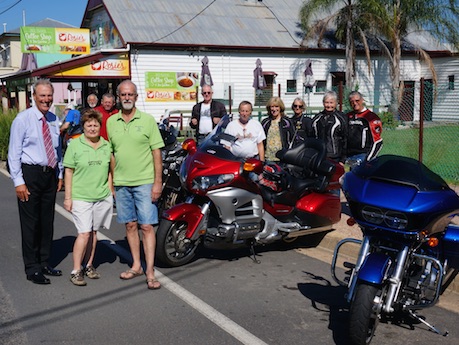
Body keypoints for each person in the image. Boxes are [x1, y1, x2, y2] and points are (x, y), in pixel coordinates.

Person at [107, 80, 164, 290]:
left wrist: (157, 182)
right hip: (122, 183)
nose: (127, 98)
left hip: (144, 182)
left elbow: (156, 152)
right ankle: (137, 265)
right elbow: (111, 154)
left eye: (130, 94)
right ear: (118, 97)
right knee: (130, 225)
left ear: (136, 97)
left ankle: (150, 271)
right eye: (123, 94)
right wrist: (112, 182)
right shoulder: (111, 122)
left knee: (147, 226)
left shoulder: (148, 121)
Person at [7, 79, 64, 285]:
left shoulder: (53, 118)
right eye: (42, 96)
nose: (46, 99)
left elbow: (57, 149)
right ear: (34, 96)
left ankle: (44, 262)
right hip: (30, 174)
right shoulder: (23, 120)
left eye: (49, 95)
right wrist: (18, 181)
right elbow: (13, 153)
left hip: (49, 174)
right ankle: (32, 268)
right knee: (31, 224)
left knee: (47, 221)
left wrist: (59, 174)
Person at [63, 109, 113, 286]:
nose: (92, 128)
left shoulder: (106, 145)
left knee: (93, 232)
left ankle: (89, 264)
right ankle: (76, 270)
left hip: (101, 196)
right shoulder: (75, 145)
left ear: (100, 126)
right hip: (81, 196)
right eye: (89, 125)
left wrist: (110, 189)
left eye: (95, 125)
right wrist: (68, 198)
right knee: (83, 233)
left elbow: (110, 170)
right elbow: (68, 171)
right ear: (83, 126)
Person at [311, 91, 348, 164]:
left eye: (331, 103)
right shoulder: (317, 118)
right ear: (323, 103)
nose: (329, 105)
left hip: (335, 157)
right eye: (326, 102)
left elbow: (346, 139)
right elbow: (312, 136)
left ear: (336, 103)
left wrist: (342, 159)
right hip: (319, 155)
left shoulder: (341, 118)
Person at [346, 91, 383, 161]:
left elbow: (378, 142)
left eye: (357, 100)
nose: (355, 103)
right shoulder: (347, 116)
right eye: (352, 101)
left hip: (363, 155)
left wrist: (368, 159)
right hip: (348, 156)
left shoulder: (371, 117)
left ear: (362, 100)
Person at [261, 97, 294, 162]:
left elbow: (292, 138)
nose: (274, 109)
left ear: (280, 108)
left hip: (283, 157)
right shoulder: (265, 122)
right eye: (272, 107)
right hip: (268, 157)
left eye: (276, 106)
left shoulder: (286, 122)